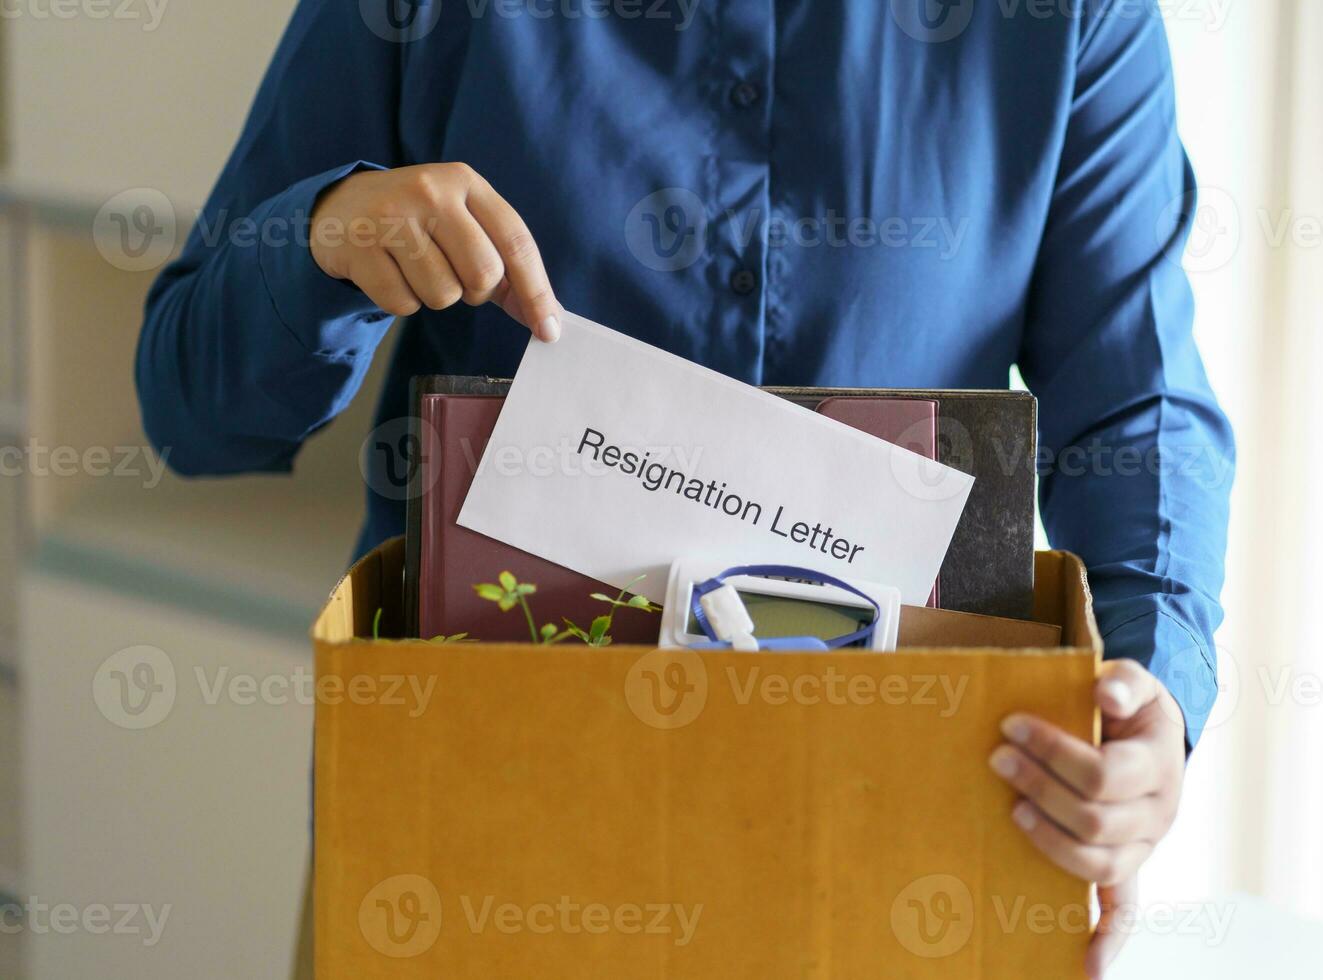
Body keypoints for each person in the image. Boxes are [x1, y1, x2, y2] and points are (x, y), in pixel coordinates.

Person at [135, 1, 1233, 974]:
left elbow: (1137, 416)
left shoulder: (1072, 18)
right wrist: (324, 241)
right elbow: (191, 410)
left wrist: (1154, 691)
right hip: (470, 819)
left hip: (895, 831)